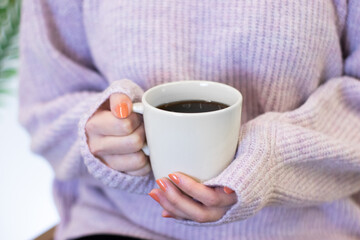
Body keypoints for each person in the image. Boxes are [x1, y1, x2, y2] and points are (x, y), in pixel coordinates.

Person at [19, 0, 360, 239]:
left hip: (308, 228)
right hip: (118, 222)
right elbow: (44, 109)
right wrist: (104, 134)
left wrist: (272, 159)